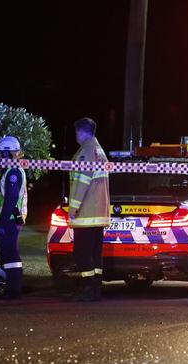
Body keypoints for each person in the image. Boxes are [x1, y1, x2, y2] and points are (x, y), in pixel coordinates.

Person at [67, 117, 110, 302]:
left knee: (83, 253)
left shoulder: (86, 152)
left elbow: (81, 182)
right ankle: (95, 288)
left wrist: (73, 207)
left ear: (82, 132)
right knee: (94, 253)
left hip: (86, 213)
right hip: (98, 213)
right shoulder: (99, 150)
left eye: (76, 132)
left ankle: (87, 289)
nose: (76, 136)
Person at [0, 136, 27, 299]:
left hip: (9, 220)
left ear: (7, 154)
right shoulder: (10, 170)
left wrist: (3, 222)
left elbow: (11, 199)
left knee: (11, 254)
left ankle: (14, 289)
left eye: (1, 154)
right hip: (8, 219)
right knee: (7, 254)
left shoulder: (13, 172)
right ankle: (11, 287)